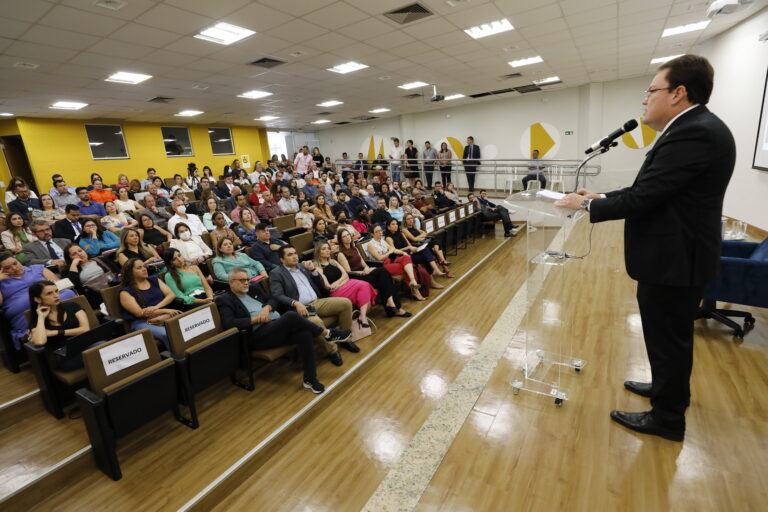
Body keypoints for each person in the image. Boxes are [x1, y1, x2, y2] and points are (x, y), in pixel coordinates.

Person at [554, 54, 736, 442]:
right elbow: (651, 191)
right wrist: (600, 194)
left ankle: (668, 418)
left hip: (675, 261)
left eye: (651, 90)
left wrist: (586, 204)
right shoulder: (692, 128)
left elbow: (645, 198)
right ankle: (666, 389)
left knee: (668, 337)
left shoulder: (695, 132)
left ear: (679, 93)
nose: (644, 99)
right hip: (673, 258)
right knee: (665, 336)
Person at [216, 267, 341, 393]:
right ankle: (327, 333)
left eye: (247, 279)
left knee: (305, 334)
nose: (246, 282)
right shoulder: (224, 299)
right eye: (242, 280)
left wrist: (266, 309)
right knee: (290, 316)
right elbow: (229, 323)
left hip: (276, 328)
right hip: (258, 336)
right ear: (231, 282)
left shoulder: (253, 288)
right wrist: (256, 319)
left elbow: (273, 300)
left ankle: (310, 379)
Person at [269, 246, 355, 361]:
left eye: (295, 253)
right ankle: (332, 350)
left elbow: (320, 284)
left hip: (317, 301)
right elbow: (277, 294)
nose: (294, 256)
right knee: (316, 321)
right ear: (282, 259)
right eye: (290, 255)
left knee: (346, 303)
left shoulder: (302, 267)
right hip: (300, 308)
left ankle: (345, 340)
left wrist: (313, 270)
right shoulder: (276, 273)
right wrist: (295, 303)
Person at [0, 254, 75, 349]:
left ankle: (52, 324)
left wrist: (51, 285)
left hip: (48, 300)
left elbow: (59, 285)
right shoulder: (1, 281)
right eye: (7, 268)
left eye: (15, 263)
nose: (14, 268)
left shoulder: (37, 268)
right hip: (24, 313)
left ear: (18, 260)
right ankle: (38, 329)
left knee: (68, 293)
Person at [336, 229, 411, 317]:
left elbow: (364, 263)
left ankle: (391, 305)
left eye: (348, 235)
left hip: (364, 272)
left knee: (385, 276)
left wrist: (367, 268)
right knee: (383, 275)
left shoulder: (355, 248)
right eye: (344, 236)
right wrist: (363, 271)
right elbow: (348, 272)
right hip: (356, 277)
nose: (347, 237)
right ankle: (394, 307)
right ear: (340, 240)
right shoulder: (341, 254)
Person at [27, 280, 95, 371]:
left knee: (100, 347)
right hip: (65, 357)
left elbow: (85, 329)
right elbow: (40, 341)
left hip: (85, 345)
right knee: (100, 349)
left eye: (56, 291)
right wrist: (41, 317)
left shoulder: (72, 306)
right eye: (49, 293)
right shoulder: (37, 321)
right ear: (38, 299)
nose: (56, 295)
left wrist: (54, 332)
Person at [119, 258, 181, 349]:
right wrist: (164, 310)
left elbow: (171, 295)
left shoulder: (154, 280)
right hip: (142, 322)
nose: (144, 269)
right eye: (139, 268)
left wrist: (157, 307)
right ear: (130, 272)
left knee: (185, 324)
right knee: (167, 333)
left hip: (165, 314)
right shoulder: (125, 292)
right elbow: (140, 313)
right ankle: (179, 358)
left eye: (144, 266)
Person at [313, 241, 377, 327]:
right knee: (363, 287)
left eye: (328, 248)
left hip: (345, 285)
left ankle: (362, 316)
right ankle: (362, 317)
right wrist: (342, 282)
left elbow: (346, 275)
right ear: (318, 252)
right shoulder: (317, 267)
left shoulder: (333, 262)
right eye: (324, 249)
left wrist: (339, 283)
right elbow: (328, 286)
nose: (327, 250)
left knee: (365, 285)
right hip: (335, 292)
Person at [364, 223, 426, 301]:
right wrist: (390, 252)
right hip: (381, 267)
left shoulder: (382, 240)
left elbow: (394, 249)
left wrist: (403, 252)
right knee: (407, 267)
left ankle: (413, 282)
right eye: (377, 231)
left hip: (389, 262)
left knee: (406, 258)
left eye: (380, 230)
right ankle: (414, 289)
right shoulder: (370, 244)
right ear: (372, 234)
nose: (380, 232)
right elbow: (379, 258)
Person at [385, 218, 445, 290]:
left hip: (410, 253)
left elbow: (409, 244)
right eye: (393, 224)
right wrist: (408, 248)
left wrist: (413, 248)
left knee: (426, 250)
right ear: (388, 227)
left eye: (396, 224)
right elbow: (394, 250)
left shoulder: (401, 233)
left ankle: (436, 270)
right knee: (426, 258)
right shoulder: (388, 238)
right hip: (403, 257)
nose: (396, 226)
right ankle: (432, 280)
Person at [63, 243, 114, 308]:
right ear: (69, 258)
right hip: (94, 296)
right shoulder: (69, 271)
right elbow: (76, 287)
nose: (79, 254)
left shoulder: (101, 260)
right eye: (74, 254)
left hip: (111, 286)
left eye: (80, 250)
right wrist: (74, 265)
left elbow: (116, 272)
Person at [402, 213, 453, 277]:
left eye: (411, 218)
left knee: (436, 243)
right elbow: (414, 239)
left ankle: (443, 261)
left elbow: (425, 233)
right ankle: (445, 268)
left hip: (423, 243)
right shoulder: (404, 230)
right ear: (405, 221)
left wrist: (420, 237)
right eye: (408, 219)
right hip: (417, 247)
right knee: (435, 248)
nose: (410, 220)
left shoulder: (414, 227)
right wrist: (421, 237)